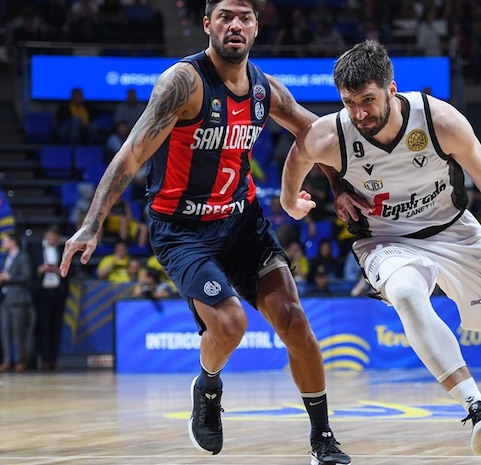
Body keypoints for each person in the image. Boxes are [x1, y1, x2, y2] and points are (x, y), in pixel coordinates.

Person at [58, 1, 351, 463]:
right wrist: (92, 224)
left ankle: (322, 439)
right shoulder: (184, 83)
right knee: (231, 324)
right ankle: (208, 386)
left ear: (256, 27)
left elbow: (316, 135)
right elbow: (132, 154)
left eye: (245, 17)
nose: (235, 25)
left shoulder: (265, 89)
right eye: (226, 16)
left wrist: (339, 188)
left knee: (295, 322)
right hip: (183, 229)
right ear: (207, 24)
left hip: (242, 222)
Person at [280, 40, 481, 462]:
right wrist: (291, 202)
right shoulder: (333, 134)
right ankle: (477, 407)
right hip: (385, 240)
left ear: (391, 89)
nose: (360, 113)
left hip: (454, 231)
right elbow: (298, 154)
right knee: (405, 293)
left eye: (367, 100)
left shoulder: (439, 120)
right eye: (349, 103)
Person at [29, 226, 69, 371]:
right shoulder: (35, 250)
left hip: (58, 293)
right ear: (46, 235)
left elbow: (71, 271)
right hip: (42, 293)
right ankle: (44, 359)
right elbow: (29, 270)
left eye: (55, 236)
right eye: (51, 236)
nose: (53, 239)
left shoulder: (63, 250)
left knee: (56, 327)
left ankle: (54, 359)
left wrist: (58, 271)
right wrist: (40, 269)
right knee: (43, 327)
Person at [0, 232, 33, 373]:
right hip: (5, 299)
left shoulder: (23, 256)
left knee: (18, 332)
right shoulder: (7, 257)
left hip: (19, 299)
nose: (3, 243)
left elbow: (26, 275)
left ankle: (20, 360)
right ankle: (7, 360)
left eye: (5, 241)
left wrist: (8, 277)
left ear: (13, 242)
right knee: (5, 331)